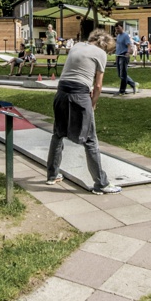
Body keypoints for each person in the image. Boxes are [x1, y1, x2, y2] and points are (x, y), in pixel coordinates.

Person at [46, 29, 122, 195]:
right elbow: (98, 86)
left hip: (61, 93)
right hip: (80, 95)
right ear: (106, 46)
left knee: (58, 134)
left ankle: (52, 175)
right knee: (90, 139)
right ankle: (101, 184)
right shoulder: (100, 54)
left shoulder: (77, 46)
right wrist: (93, 103)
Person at [114, 23, 137, 95]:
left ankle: (122, 91)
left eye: (118, 28)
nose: (117, 29)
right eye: (116, 28)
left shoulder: (125, 35)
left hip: (123, 56)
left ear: (122, 28)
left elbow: (129, 45)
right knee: (120, 75)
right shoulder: (118, 36)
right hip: (118, 55)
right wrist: (112, 51)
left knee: (123, 74)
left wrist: (128, 52)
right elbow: (118, 45)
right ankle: (133, 84)